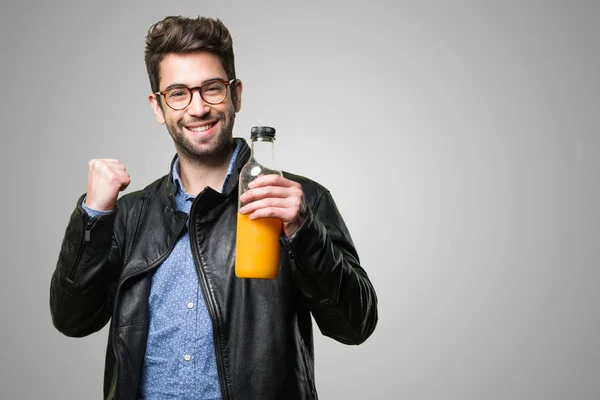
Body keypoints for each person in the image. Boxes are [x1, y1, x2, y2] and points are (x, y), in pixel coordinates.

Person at [49, 15, 378, 400]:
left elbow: (355, 325)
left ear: (236, 94)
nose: (198, 108)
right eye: (178, 93)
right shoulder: (128, 215)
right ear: (158, 106)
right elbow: (72, 320)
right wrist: (93, 217)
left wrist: (305, 232)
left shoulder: (298, 200)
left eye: (212, 89)